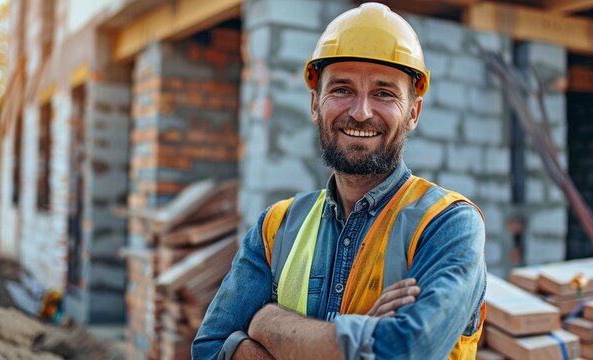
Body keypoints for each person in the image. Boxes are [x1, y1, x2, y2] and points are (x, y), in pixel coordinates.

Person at [193, 3, 486, 359]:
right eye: (342, 89)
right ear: (315, 103)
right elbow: (209, 348)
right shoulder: (276, 228)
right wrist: (361, 338)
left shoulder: (448, 224)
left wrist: (267, 322)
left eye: (384, 93)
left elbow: (404, 350)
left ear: (413, 112)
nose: (361, 112)